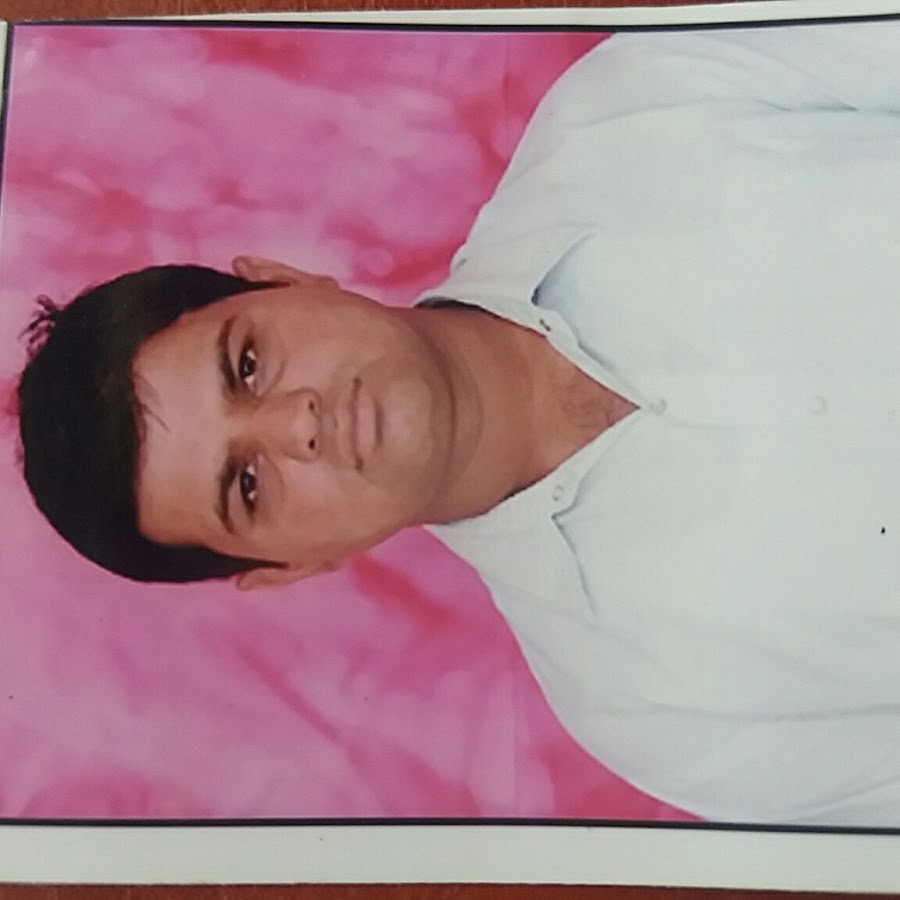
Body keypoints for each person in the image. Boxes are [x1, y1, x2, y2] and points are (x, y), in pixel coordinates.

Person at [16, 21, 900, 826]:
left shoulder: (632, 111)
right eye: (247, 485)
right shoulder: (657, 715)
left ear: (283, 278)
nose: (297, 425)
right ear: (288, 569)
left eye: (247, 364)